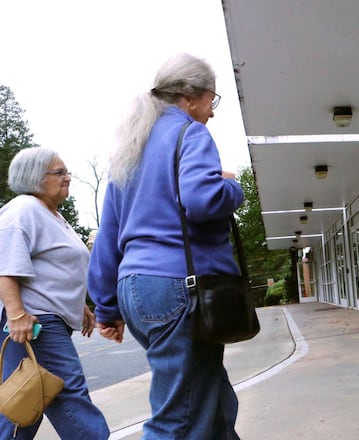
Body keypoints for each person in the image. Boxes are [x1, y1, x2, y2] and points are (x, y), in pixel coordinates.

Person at [87, 53, 244, 439]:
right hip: (181, 289)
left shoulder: (131, 145)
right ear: (190, 97)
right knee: (177, 418)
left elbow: (109, 233)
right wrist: (231, 186)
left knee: (213, 402)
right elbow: (203, 199)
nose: (212, 112)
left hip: (138, 288)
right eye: (212, 100)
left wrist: (106, 306)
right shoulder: (189, 133)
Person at [0, 147, 110, 439]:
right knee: (68, 394)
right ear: (35, 177)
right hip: (35, 324)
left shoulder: (52, 215)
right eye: (59, 172)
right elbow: (5, 266)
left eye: (67, 172)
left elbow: (57, 268)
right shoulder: (24, 209)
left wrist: (80, 307)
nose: (68, 178)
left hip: (46, 320)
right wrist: (16, 313)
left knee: (27, 402)